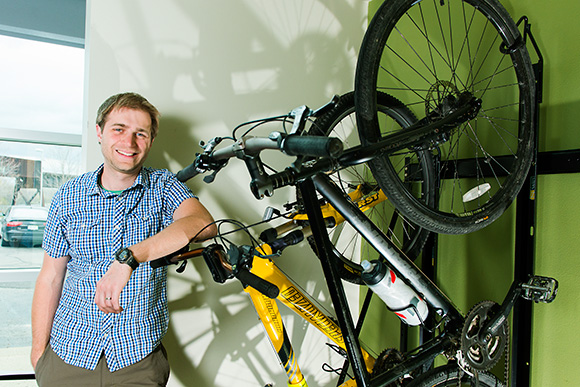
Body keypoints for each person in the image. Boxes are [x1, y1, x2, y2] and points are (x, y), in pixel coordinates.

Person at [31, 92, 217, 386]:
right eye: (119, 129)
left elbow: (203, 225)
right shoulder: (67, 196)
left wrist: (130, 258)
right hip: (68, 354)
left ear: (151, 141)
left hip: (137, 359)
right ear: (99, 132)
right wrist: (39, 353)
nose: (129, 143)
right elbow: (50, 277)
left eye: (140, 134)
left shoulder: (164, 186)